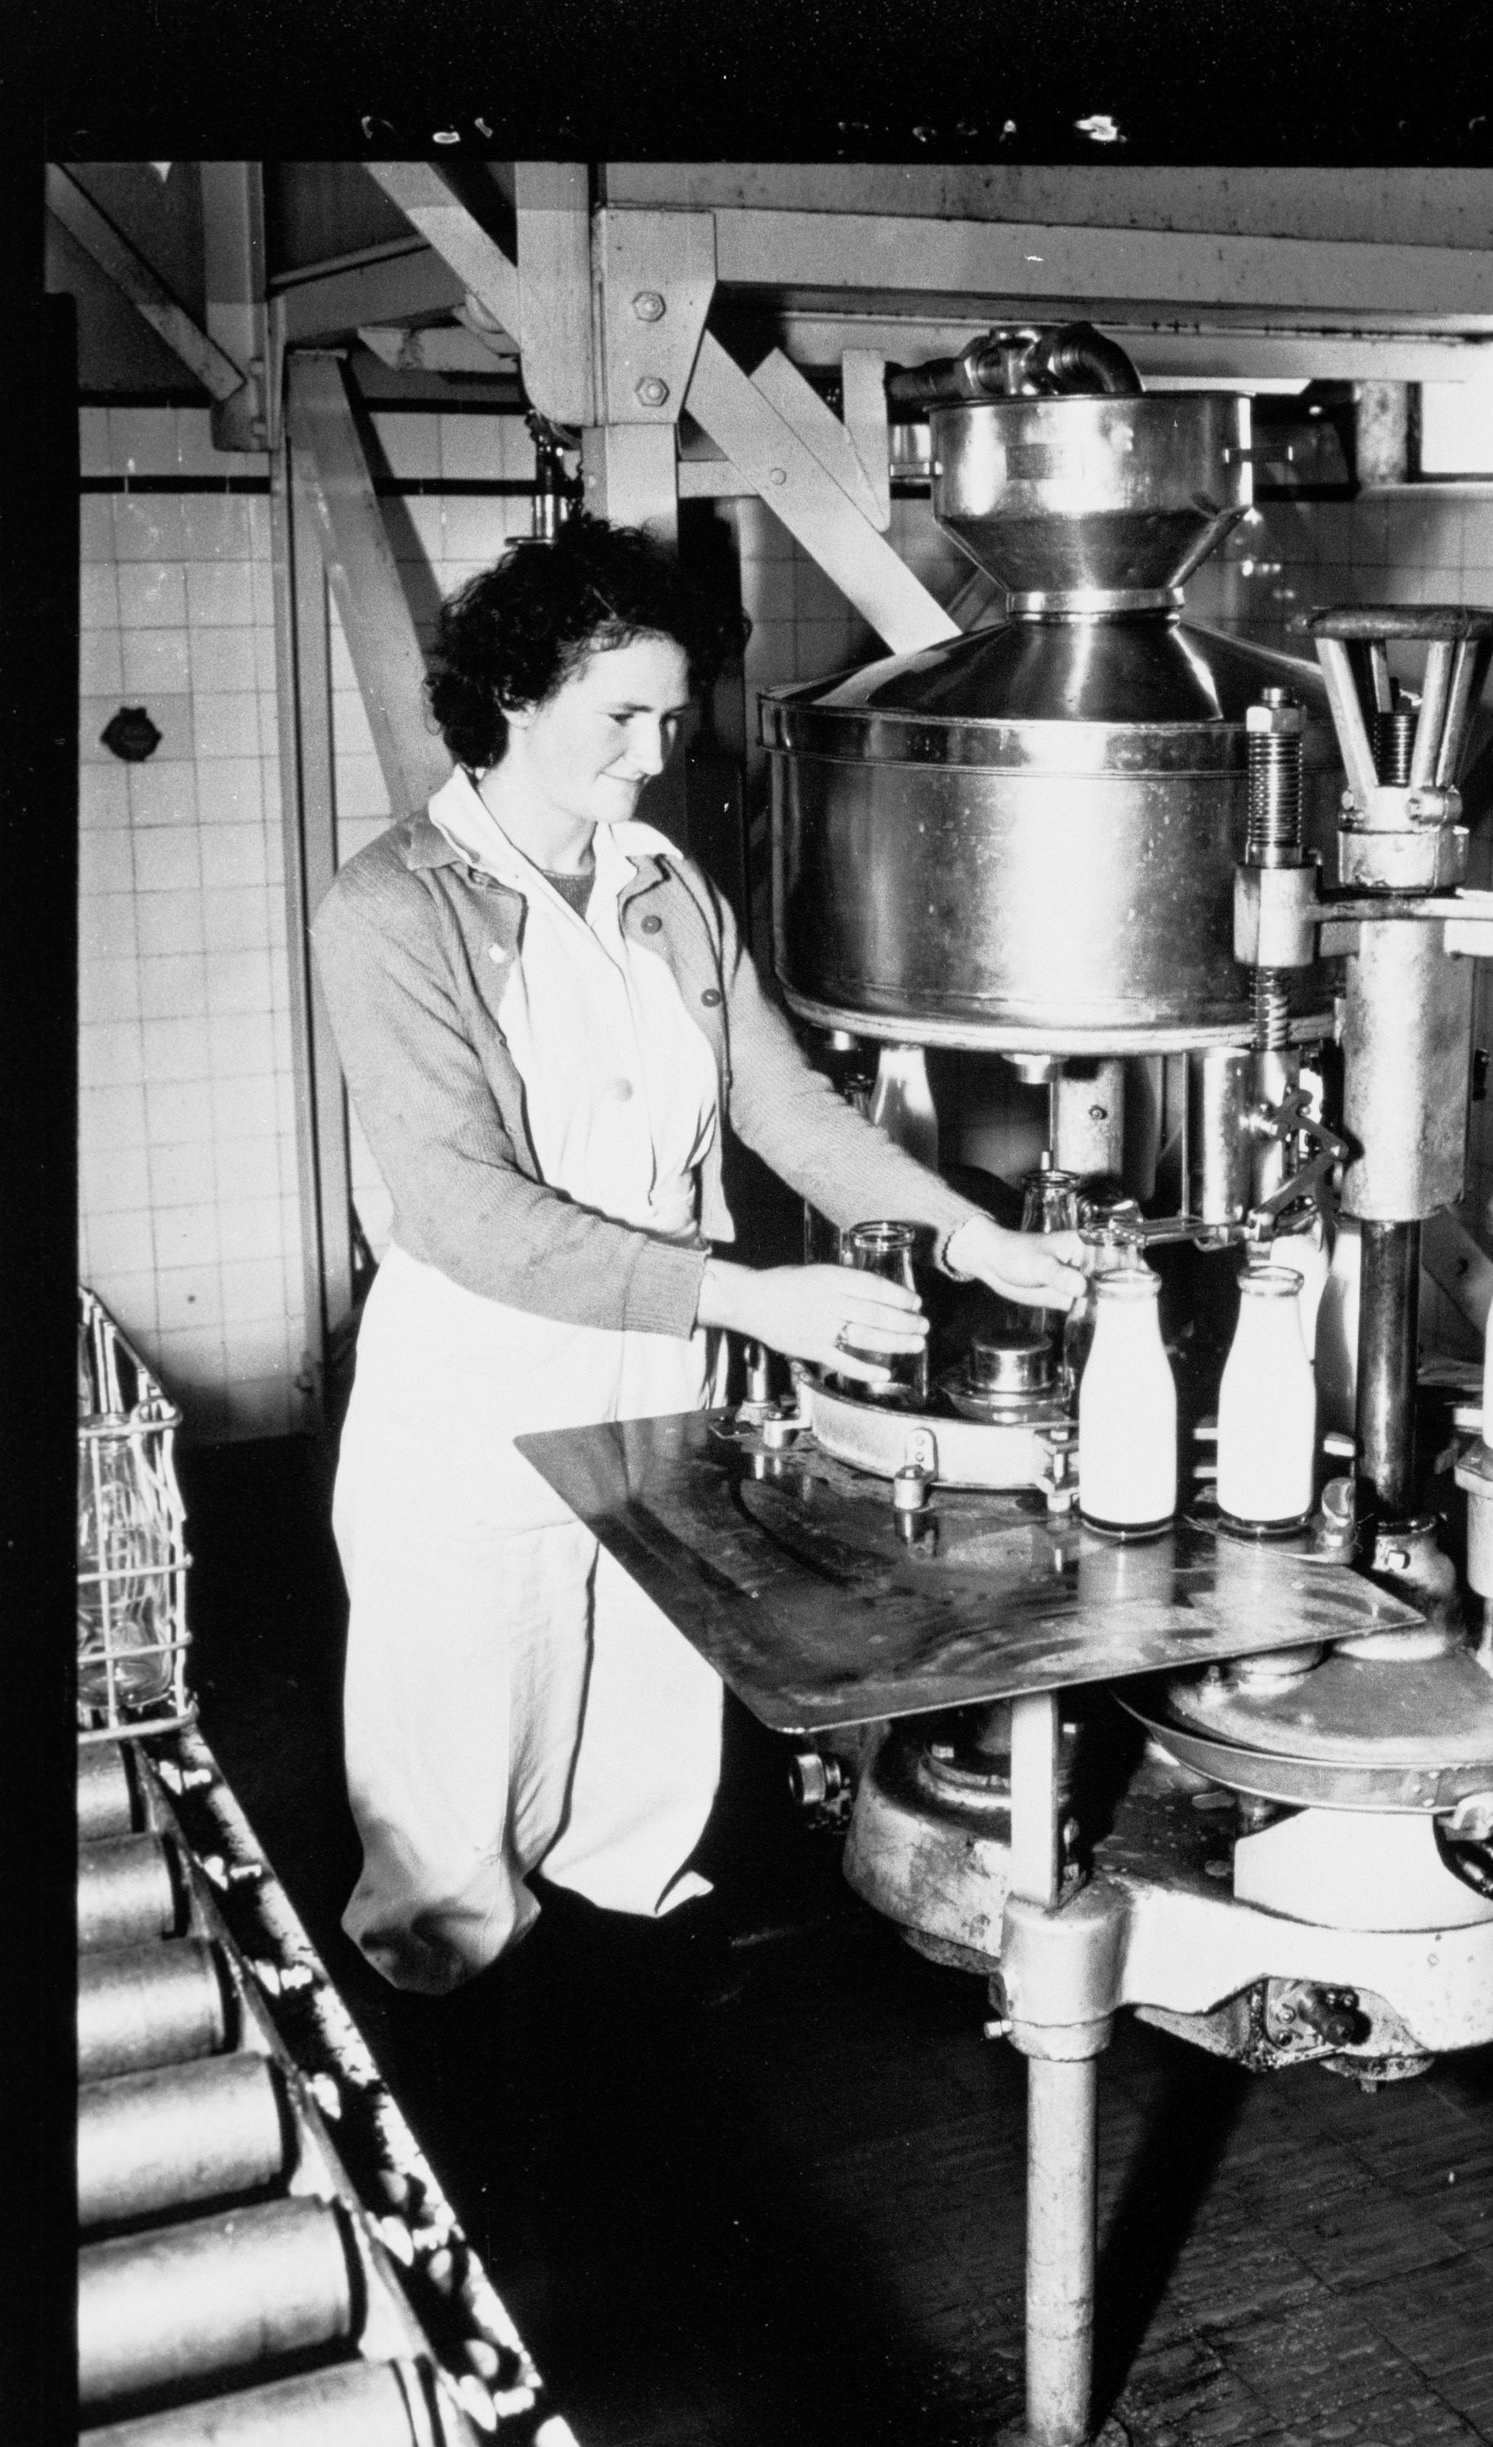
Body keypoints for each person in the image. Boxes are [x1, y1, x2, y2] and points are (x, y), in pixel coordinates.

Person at [312, 516, 1082, 2239]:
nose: (662, 758)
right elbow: (462, 1210)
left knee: (645, 1778)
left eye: (673, 719)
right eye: (623, 723)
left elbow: (783, 1104)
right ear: (509, 699)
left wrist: (964, 1234)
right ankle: (451, 2197)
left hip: (657, 1391)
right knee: (453, 1819)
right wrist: (754, 1291)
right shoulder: (394, 906)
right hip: (479, 1404)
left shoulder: (665, 887)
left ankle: (626, 2154)